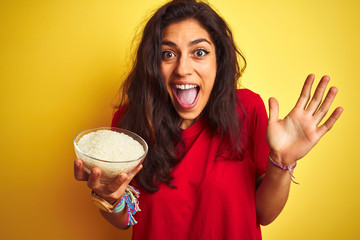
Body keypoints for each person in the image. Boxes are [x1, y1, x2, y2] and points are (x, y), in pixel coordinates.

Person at [74, 0, 343, 239]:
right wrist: (109, 197)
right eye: (168, 54)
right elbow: (125, 220)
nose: (182, 68)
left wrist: (282, 162)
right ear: (153, 64)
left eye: (199, 52)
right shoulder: (130, 121)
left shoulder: (248, 109)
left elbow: (264, 214)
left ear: (219, 60)